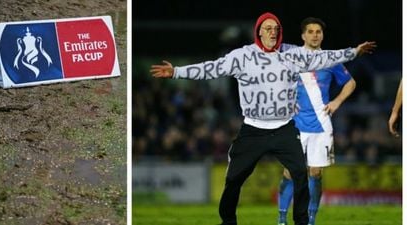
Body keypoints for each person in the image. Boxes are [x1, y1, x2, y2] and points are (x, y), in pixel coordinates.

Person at [150, 12, 375, 225]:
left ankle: (301, 222)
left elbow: (326, 57)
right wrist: (177, 72)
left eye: (276, 29)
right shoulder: (242, 56)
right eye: (268, 29)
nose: (272, 32)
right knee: (234, 179)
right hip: (253, 129)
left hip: (285, 128)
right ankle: (228, 221)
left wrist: (354, 51)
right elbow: (212, 68)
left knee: (300, 174)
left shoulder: (291, 55)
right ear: (259, 32)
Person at [276, 17, 357, 225]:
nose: (314, 35)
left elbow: (351, 83)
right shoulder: (291, 56)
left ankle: (311, 220)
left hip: (321, 125)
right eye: (310, 31)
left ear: (322, 35)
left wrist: (337, 101)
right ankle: (282, 219)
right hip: (294, 124)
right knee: (290, 172)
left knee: (316, 173)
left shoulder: (330, 60)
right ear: (303, 35)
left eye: (318, 32)